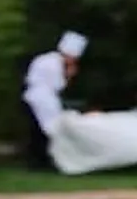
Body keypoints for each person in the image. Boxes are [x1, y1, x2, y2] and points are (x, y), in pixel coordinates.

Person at [21, 31, 88, 170]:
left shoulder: (45, 59)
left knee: (37, 132)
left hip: (35, 97)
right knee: (44, 132)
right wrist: (69, 75)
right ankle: (39, 162)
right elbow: (58, 85)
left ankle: (37, 161)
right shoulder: (55, 64)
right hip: (42, 99)